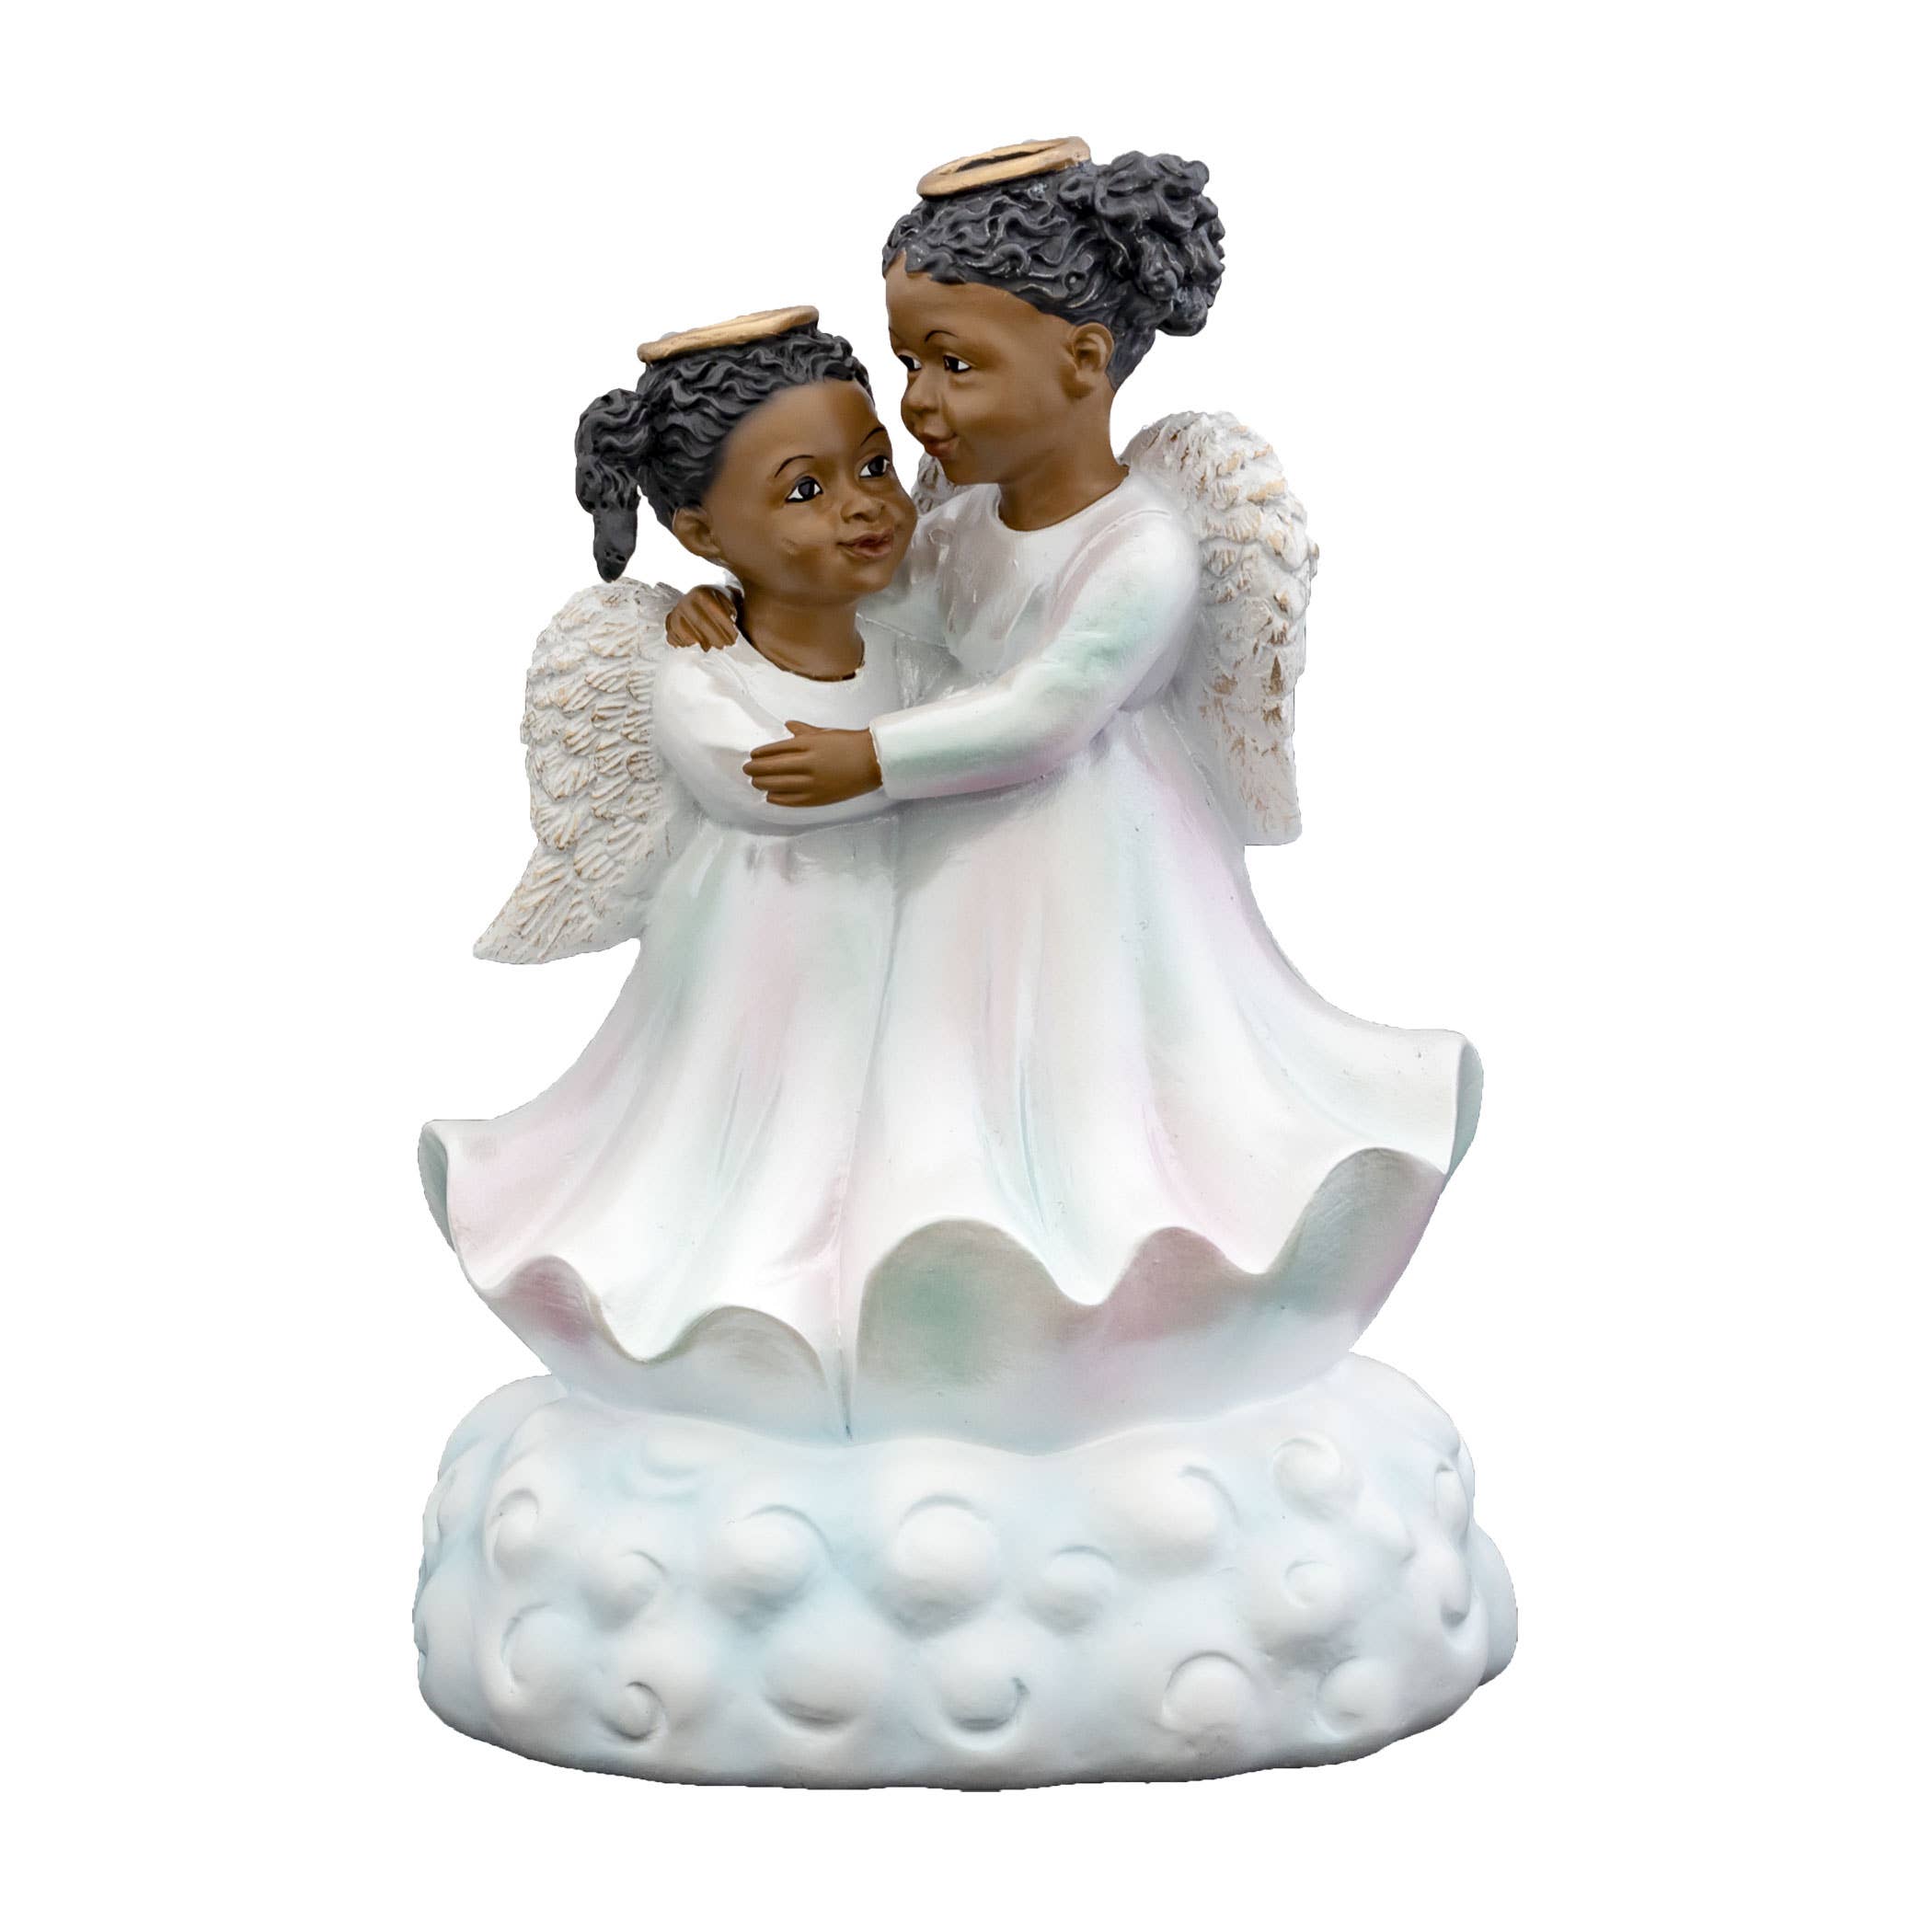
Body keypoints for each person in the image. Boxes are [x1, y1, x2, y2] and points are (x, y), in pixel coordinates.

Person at [668, 146, 1481, 1446]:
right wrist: (738, 597)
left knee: (1081, 1079)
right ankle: (921, 1280)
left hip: (1086, 859)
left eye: (955, 363)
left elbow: (1046, 710)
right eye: (910, 361)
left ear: (1084, 362)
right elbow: (878, 600)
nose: (918, 404)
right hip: (955, 856)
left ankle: (1100, 1296)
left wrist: (871, 760)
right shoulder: (959, 521)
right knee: (942, 1075)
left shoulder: (1139, 548)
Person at [420, 310, 949, 1438]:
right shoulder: (702, 675)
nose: (865, 505)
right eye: (805, 491)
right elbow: (763, 783)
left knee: (899, 1124)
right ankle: (755, 1312)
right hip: (771, 955)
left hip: (911, 941)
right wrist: (918, 765)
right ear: (703, 533)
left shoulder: (915, 653)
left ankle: (903, 1298)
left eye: (873, 467)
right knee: (772, 1135)